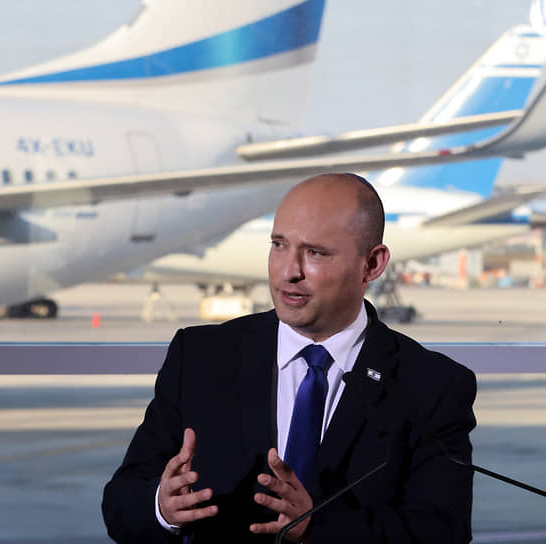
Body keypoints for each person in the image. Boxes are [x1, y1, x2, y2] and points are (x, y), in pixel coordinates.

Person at [101, 173, 476, 543]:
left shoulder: (432, 386)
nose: (288, 271)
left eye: (315, 253)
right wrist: (162, 508)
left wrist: (317, 528)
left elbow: (443, 532)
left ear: (372, 264)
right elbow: (121, 503)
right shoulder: (201, 357)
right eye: (279, 245)